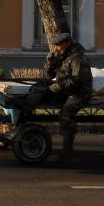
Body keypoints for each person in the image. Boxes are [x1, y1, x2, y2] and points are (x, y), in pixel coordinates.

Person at [27, 32, 93, 161]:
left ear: (67, 43)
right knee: (41, 86)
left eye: (58, 46)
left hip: (79, 92)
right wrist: (50, 63)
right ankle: (27, 107)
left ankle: (67, 152)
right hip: (65, 90)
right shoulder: (64, 56)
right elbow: (47, 76)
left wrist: (56, 87)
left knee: (66, 113)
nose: (56, 48)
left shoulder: (78, 58)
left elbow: (76, 82)